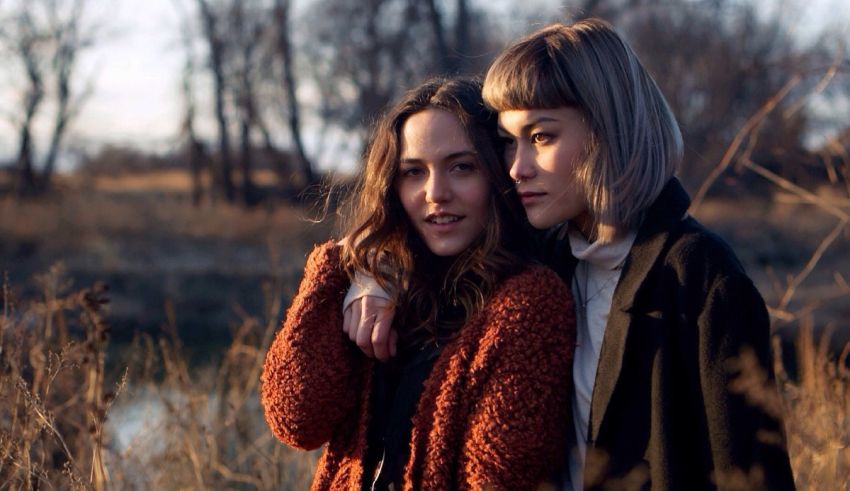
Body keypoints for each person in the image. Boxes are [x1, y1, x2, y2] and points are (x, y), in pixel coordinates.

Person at [344, 19, 796, 490]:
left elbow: (752, 475)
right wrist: (376, 277)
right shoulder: (542, 262)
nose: (517, 168)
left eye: (541, 137)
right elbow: (417, 245)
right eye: (507, 142)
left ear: (608, 129)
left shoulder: (699, 277)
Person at [260, 77, 576, 490]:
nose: (435, 193)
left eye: (462, 167)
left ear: (498, 174)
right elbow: (295, 418)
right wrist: (343, 265)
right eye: (413, 172)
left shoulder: (529, 304)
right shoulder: (383, 283)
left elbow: (499, 478)